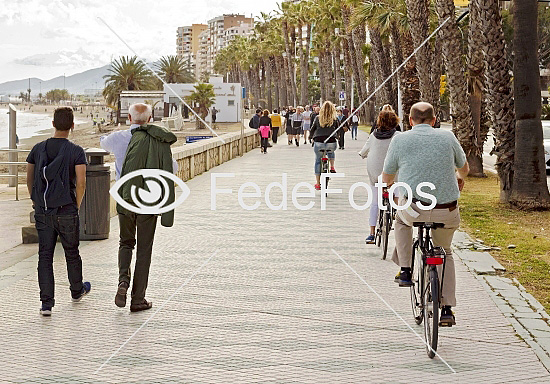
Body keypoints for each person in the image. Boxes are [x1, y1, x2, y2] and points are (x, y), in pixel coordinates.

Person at [382, 102, 469, 326]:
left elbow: (387, 176)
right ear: (434, 120)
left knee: (401, 220)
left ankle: (404, 269)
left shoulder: (400, 139)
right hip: (446, 210)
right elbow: (464, 168)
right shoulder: (448, 137)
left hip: (414, 208)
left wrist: (390, 185)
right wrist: (459, 179)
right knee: (445, 252)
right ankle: (447, 309)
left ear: (410, 121)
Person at [106, 103, 177, 313]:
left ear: (129, 117)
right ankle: (138, 299)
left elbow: (102, 144)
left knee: (126, 242)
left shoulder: (118, 139)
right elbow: (172, 168)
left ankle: (123, 281)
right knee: (144, 250)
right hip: (148, 201)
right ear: (150, 118)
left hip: (125, 199)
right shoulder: (158, 140)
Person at [26, 107, 91, 317]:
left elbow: (29, 178)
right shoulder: (76, 151)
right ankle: (76, 290)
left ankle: (46, 304)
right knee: (72, 252)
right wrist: (76, 205)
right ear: (72, 126)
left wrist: (35, 201)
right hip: (67, 209)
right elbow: (81, 183)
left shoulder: (37, 149)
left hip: (43, 210)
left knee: (45, 255)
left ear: (52, 124)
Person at [359, 110, 401, 244]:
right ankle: (395, 210)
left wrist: (364, 154)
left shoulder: (373, 135)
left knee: (375, 203)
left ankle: (371, 233)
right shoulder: (398, 136)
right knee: (398, 187)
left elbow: (363, 152)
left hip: (375, 174)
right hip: (393, 175)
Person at [310, 101, 339, 191]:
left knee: (318, 160)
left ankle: (318, 183)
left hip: (319, 142)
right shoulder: (335, 119)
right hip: (331, 142)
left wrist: (311, 137)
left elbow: (312, 129)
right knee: (331, 150)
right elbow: (338, 129)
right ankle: (332, 166)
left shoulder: (318, 118)